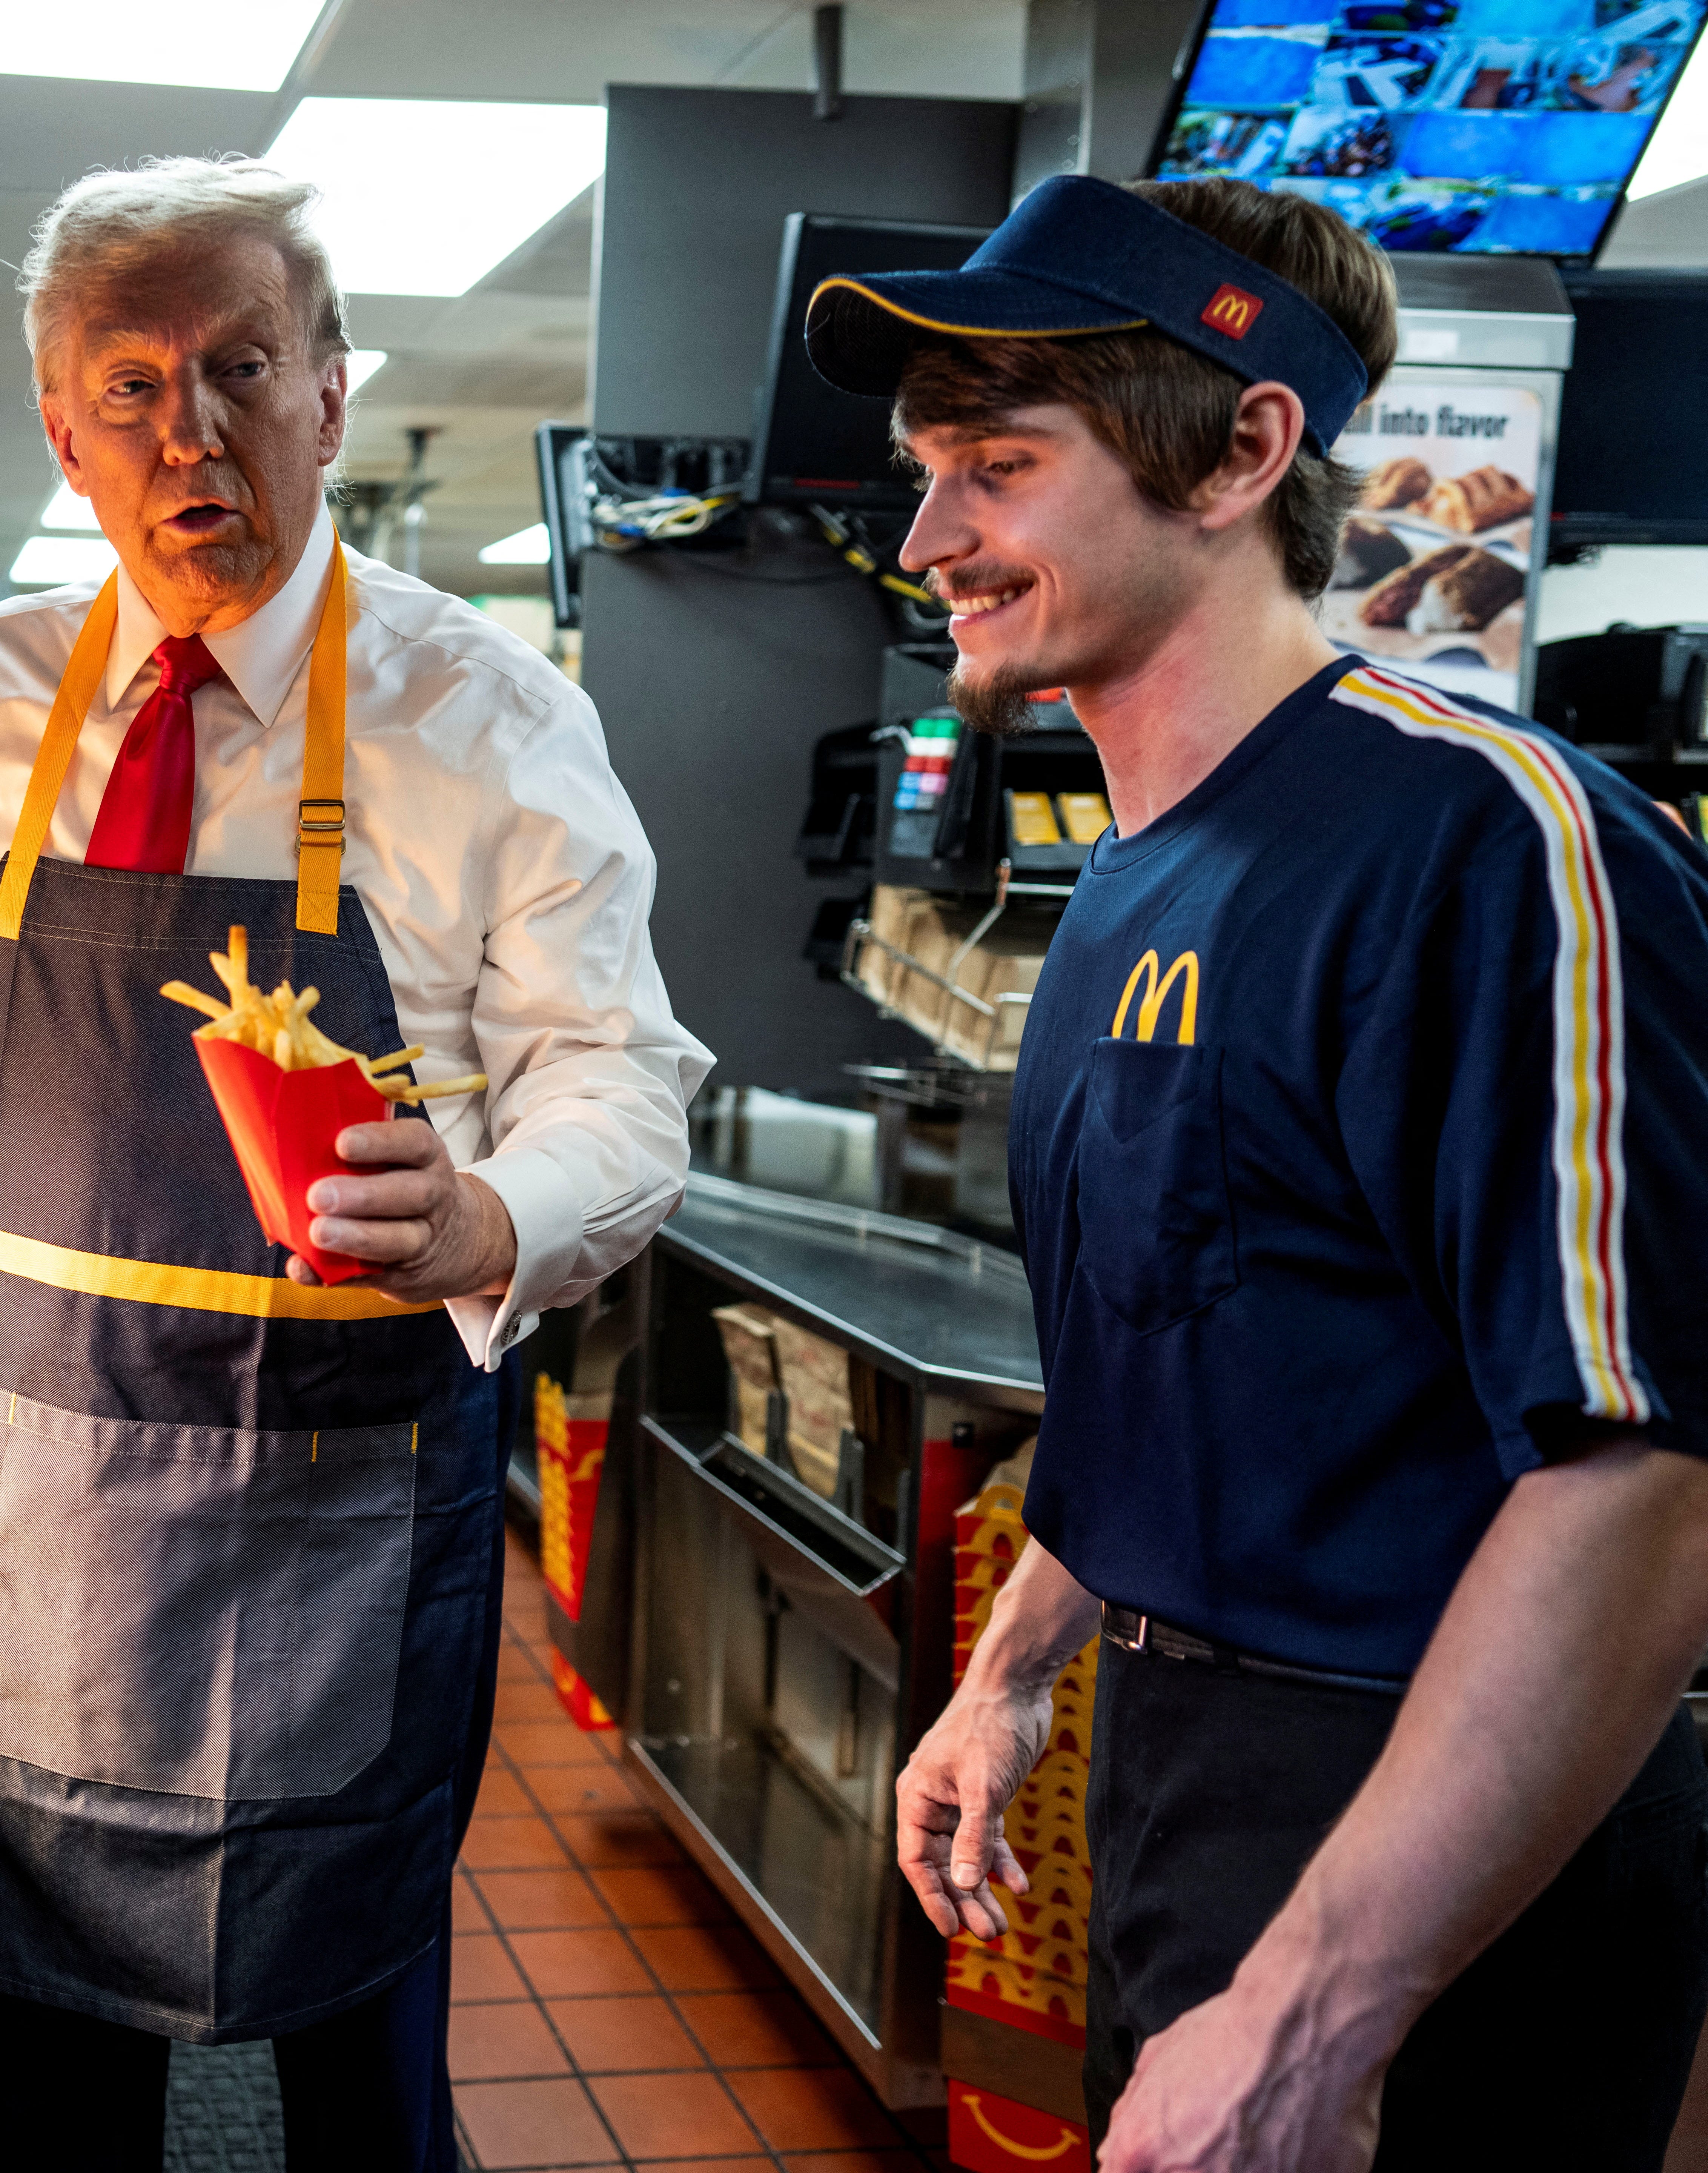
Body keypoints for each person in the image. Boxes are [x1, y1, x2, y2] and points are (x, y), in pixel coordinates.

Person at [0, 156, 707, 2172]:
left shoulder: (485, 719)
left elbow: (626, 1090)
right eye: (126, 387)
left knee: (359, 2098)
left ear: (330, 391)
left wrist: (491, 1213)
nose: (186, 429)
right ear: (63, 429)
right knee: (49, 2105)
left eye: (240, 366)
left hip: (336, 1530)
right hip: (33, 1526)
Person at [809, 174, 1708, 2170]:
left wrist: (1314, 2017)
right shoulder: (1130, 886)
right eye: (926, 472)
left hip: (1441, 1837)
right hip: (1183, 1776)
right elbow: (1193, 1357)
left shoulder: (1490, 845)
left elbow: (1645, 1478)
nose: (930, 540)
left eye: (1000, 468)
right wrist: (1019, 1667)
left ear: (1243, 450)